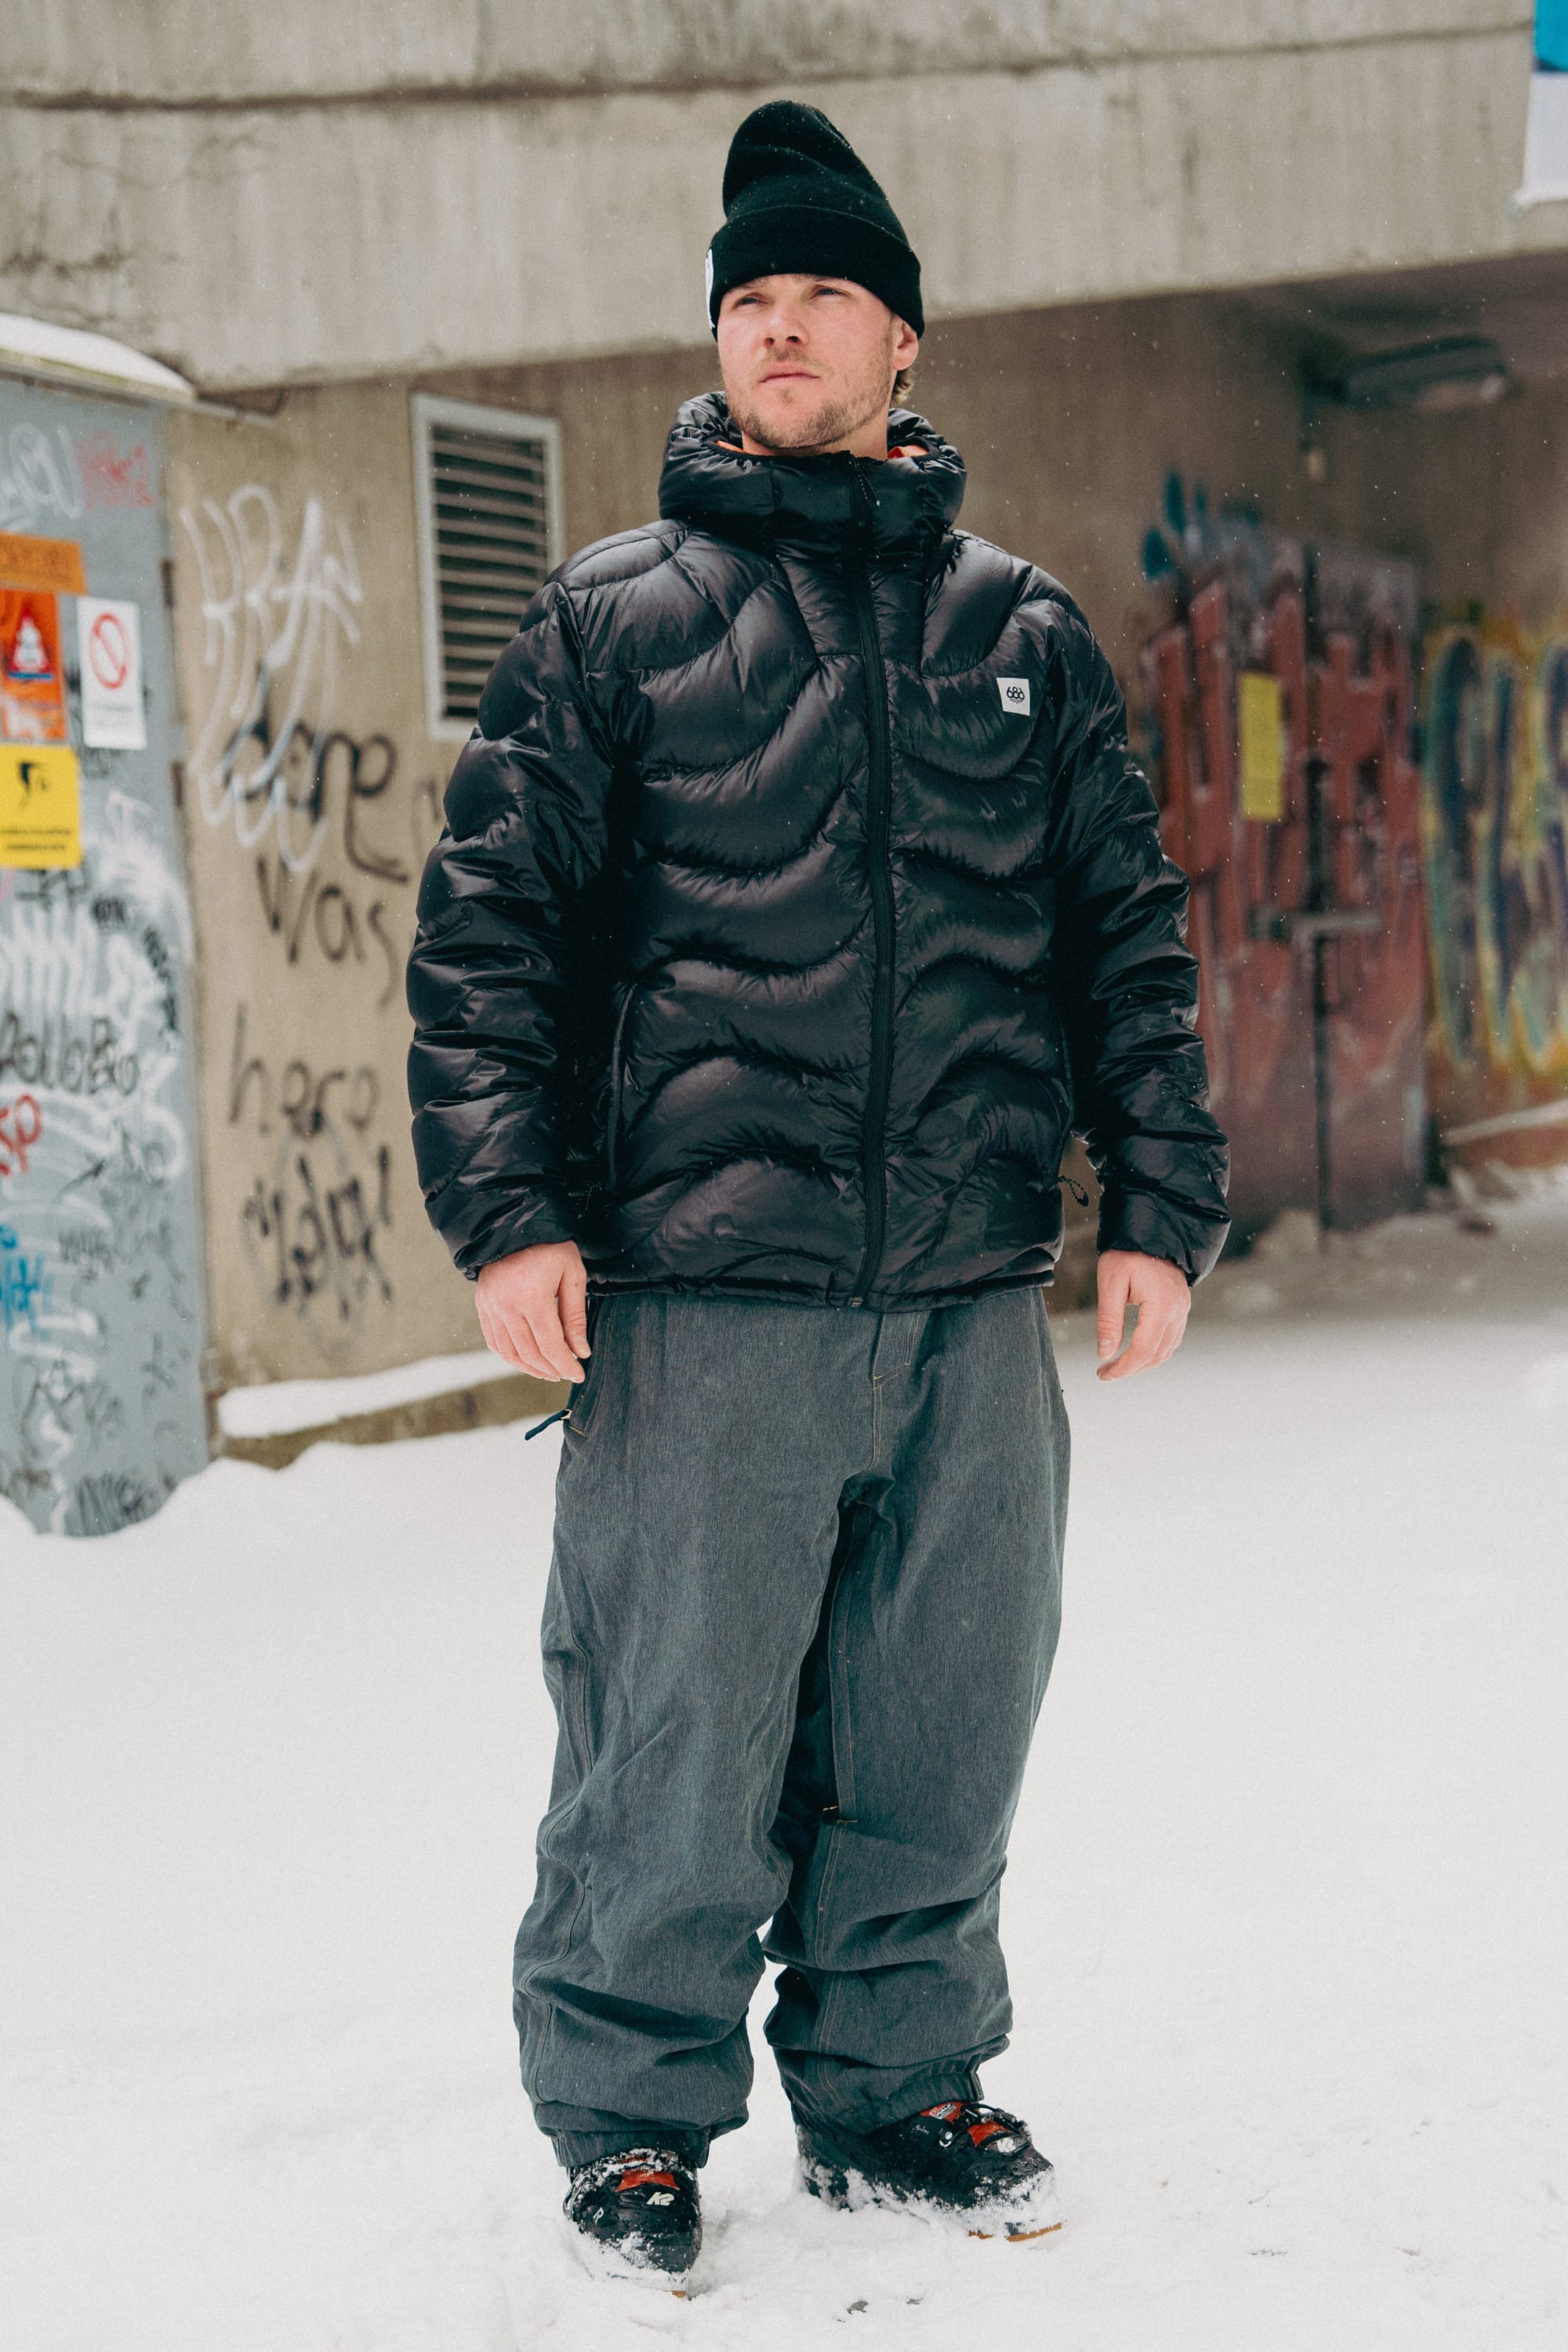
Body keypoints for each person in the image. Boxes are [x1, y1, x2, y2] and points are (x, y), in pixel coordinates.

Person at [407, 99, 1229, 2283]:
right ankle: (633, 2120)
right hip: (704, 1292)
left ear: (904, 349)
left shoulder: (1023, 635)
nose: (779, 332)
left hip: (962, 1294)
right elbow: (493, 938)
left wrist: (1158, 1194)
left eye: (820, 301)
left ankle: (899, 2085)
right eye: (748, 303)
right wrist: (511, 1214)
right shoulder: (614, 623)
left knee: (944, 1712)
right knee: (676, 1727)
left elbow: (1119, 935)